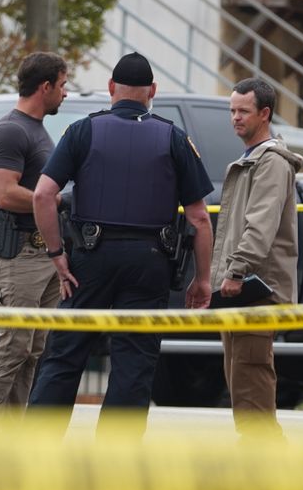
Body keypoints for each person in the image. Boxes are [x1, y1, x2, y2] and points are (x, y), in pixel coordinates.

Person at [25, 52, 214, 437]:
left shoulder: (82, 131)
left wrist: (57, 255)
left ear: (111, 89)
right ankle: (115, 462)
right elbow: (199, 218)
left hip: (89, 259)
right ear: (153, 92)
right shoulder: (174, 137)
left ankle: (34, 452)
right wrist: (203, 279)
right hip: (150, 263)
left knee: (64, 355)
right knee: (134, 362)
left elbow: (42, 196)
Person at [0, 52, 69, 426]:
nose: (65, 93)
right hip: (20, 256)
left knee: (32, 350)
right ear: (44, 87)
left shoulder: (37, 129)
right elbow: (4, 193)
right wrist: (52, 200)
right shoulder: (11, 130)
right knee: (12, 346)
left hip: (44, 256)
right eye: (62, 85)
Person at [211, 78, 303, 440]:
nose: (235, 117)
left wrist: (235, 271)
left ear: (264, 113)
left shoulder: (272, 163)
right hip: (240, 288)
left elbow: (259, 225)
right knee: (240, 376)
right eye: (232, 110)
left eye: (243, 111)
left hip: (256, 289)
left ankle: (265, 460)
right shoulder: (251, 160)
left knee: (251, 376)